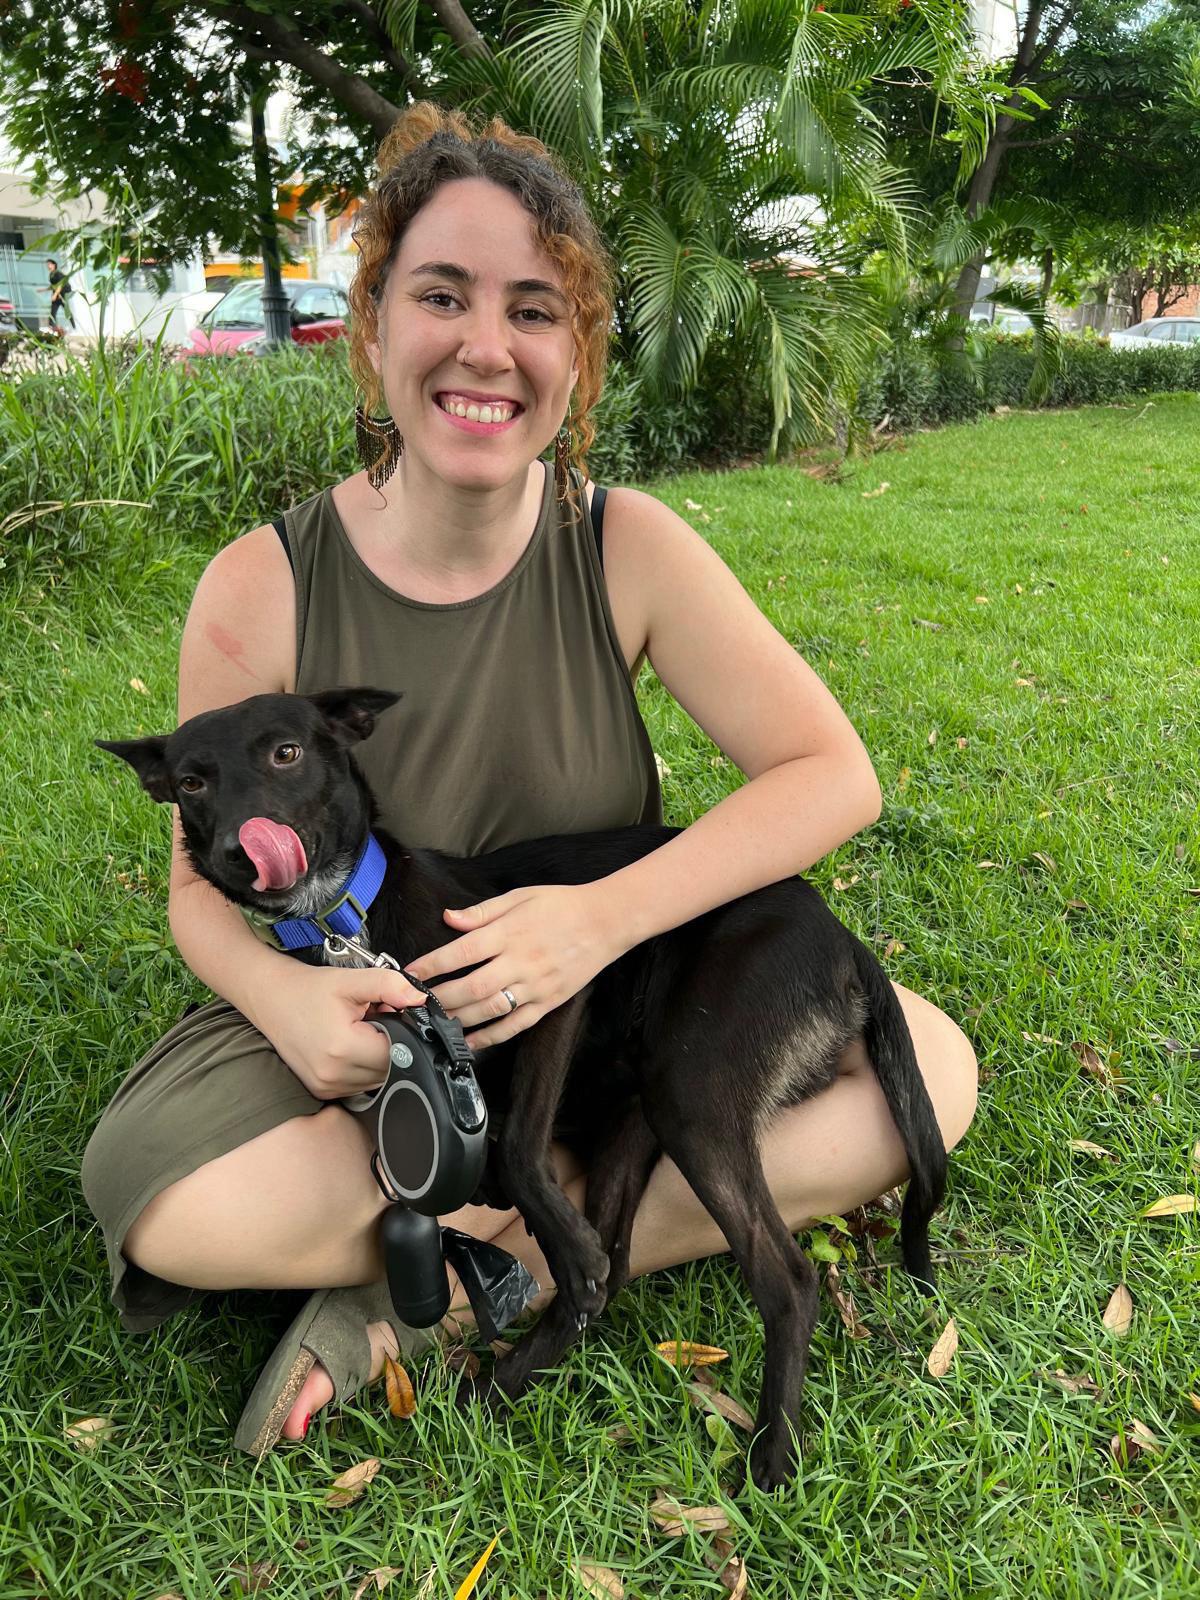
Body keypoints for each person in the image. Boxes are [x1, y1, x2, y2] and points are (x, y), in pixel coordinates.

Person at [81, 103, 978, 1457]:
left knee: (936, 1074)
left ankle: (455, 1286)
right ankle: (531, 1204)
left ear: (578, 355)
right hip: (374, 1018)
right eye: (441, 295)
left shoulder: (626, 546)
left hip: (606, 1009)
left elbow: (832, 775)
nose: (486, 347)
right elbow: (198, 889)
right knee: (169, 1205)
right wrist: (285, 1004)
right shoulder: (265, 580)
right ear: (374, 326)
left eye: (535, 310)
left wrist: (597, 921)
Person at [44, 259, 75, 330]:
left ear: (54, 265)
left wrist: (55, 295)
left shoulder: (58, 274)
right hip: (57, 296)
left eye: (49, 264)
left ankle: (74, 327)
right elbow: (53, 286)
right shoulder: (51, 275)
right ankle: (51, 327)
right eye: (47, 265)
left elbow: (60, 286)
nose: (48, 266)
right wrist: (43, 290)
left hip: (62, 295)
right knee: (53, 312)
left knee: (67, 312)